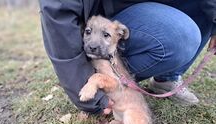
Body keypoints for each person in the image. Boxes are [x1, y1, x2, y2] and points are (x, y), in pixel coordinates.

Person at [39, 0, 216, 114]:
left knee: (205, 8)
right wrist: (91, 98)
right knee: (181, 36)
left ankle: (166, 79)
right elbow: (58, 20)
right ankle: (104, 79)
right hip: (104, 19)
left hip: (146, 8)